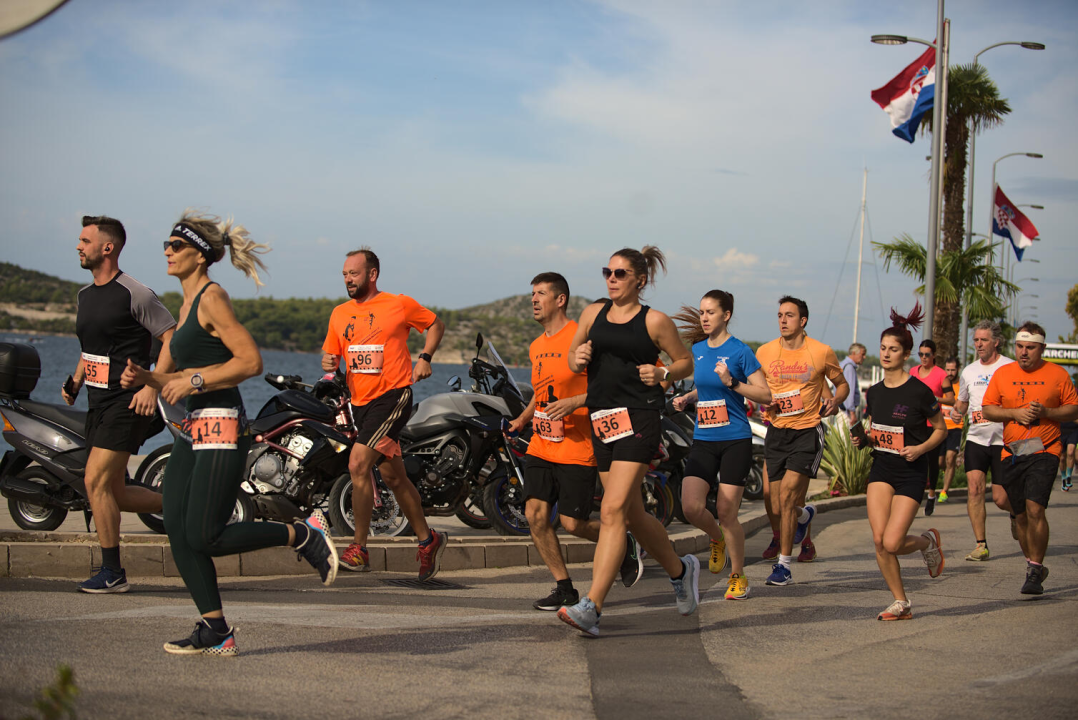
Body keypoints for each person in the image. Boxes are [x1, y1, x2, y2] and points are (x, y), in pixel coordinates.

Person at [122, 211, 338, 655]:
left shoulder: (211, 298)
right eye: (165, 245)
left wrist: (193, 381)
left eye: (175, 245)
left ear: (199, 256)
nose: (166, 251)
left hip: (222, 423)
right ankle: (216, 629)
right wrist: (146, 378)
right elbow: (179, 377)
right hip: (191, 428)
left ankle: (300, 535)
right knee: (178, 532)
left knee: (207, 535)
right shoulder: (182, 306)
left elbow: (250, 362)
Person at [557, 246, 697, 637]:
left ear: (640, 280)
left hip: (639, 418)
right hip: (602, 417)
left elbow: (685, 362)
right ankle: (680, 570)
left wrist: (662, 371)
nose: (612, 279)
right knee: (631, 513)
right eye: (607, 272)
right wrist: (578, 356)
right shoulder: (591, 314)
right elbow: (572, 357)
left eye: (620, 274)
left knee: (612, 510)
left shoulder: (654, 321)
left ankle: (592, 607)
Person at [509, 273, 643, 611]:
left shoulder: (582, 338)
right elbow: (541, 394)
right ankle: (564, 587)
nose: (534, 300)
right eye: (532, 295)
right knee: (535, 514)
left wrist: (575, 402)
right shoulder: (536, 345)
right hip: (542, 442)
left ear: (560, 299)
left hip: (579, 443)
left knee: (573, 523)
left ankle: (623, 542)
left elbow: (606, 388)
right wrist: (524, 419)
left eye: (540, 294)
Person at [63, 215, 175, 593]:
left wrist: (152, 387)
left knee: (94, 479)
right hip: (98, 400)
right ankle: (182, 507)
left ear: (107, 247)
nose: (78, 246)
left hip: (128, 402)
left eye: (84, 240)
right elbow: (91, 346)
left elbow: (171, 339)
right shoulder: (84, 295)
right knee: (116, 491)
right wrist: (76, 380)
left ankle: (113, 572)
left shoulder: (135, 293)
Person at [323, 248, 448, 579]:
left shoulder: (398, 304)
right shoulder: (339, 313)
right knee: (394, 477)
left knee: (357, 463)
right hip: (360, 404)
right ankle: (428, 538)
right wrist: (328, 363)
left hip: (393, 396)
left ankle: (359, 548)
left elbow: (436, 324)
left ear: (372, 274)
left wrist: (425, 357)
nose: (349, 279)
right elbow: (333, 354)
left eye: (354, 273)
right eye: (345, 274)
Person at [671, 290, 771, 600]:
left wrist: (734, 384)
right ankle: (716, 540)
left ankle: (738, 576)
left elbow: (766, 395)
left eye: (710, 312)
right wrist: (688, 397)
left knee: (728, 512)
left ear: (726, 315)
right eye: (702, 312)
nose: (704, 317)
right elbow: (705, 389)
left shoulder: (740, 352)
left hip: (734, 439)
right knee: (690, 506)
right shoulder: (698, 349)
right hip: (704, 438)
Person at [851, 303, 946, 620]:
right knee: (879, 541)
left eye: (894, 349)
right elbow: (875, 431)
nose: (887, 354)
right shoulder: (874, 393)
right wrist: (862, 439)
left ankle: (926, 542)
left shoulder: (919, 392)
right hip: (882, 468)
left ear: (906, 354)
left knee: (892, 541)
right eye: (883, 348)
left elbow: (941, 431)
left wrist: (920, 450)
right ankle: (901, 602)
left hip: (911, 473)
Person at [756, 296, 848, 585]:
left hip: (808, 431)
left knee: (785, 497)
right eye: (780, 315)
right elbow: (761, 388)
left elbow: (841, 384)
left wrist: (835, 401)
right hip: (777, 430)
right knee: (772, 499)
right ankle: (803, 516)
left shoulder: (821, 352)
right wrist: (764, 405)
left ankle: (783, 566)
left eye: (790, 315)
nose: (783, 320)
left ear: (802, 321)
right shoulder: (765, 351)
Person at [982, 322, 1078, 595]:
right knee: (1018, 512)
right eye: (1020, 347)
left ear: (1042, 348)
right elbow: (988, 409)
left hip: (1045, 448)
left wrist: (1046, 411)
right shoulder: (1003, 373)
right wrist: (1014, 414)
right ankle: (1032, 561)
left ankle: (1035, 569)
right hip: (1014, 450)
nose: (1024, 352)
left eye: (1030, 348)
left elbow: (1073, 410)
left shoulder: (1057, 374)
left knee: (1036, 508)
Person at [952, 321, 1014, 562]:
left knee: (1000, 498)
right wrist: (958, 411)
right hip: (977, 438)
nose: (978, 344)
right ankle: (981, 545)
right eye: (976, 340)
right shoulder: (968, 371)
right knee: (975, 489)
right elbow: (963, 403)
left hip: (1004, 439)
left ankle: (1016, 513)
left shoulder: (1010, 366)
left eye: (983, 340)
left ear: (996, 342)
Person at [909, 340, 955, 515]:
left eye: (927, 354)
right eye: (920, 354)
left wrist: (934, 399)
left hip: (933, 425)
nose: (923, 358)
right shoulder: (913, 372)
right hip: (915, 423)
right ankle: (914, 494)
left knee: (932, 462)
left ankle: (931, 495)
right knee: (913, 458)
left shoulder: (941, 374)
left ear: (934, 355)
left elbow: (951, 399)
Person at [937, 357, 962, 503]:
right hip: (941, 427)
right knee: (940, 462)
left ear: (958, 369)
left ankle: (944, 491)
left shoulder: (961, 386)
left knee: (950, 458)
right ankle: (946, 472)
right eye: (948, 370)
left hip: (955, 428)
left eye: (953, 370)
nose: (950, 373)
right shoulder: (942, 385)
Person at [840, 343, 866, 424]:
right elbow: (849, 391)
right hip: (846, 412)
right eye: (862, 354)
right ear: (854, 353)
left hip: (842, 409)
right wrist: (852, 413)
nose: (864, 357)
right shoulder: (849, 367)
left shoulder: (844, 364)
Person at [1060, 415, 1077, 491]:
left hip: (1074, 430)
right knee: (1062, 458)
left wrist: (1071, 417)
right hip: (1061, 430)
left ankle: (1068, 476)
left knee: (1070, 452)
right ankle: (1063, 477)